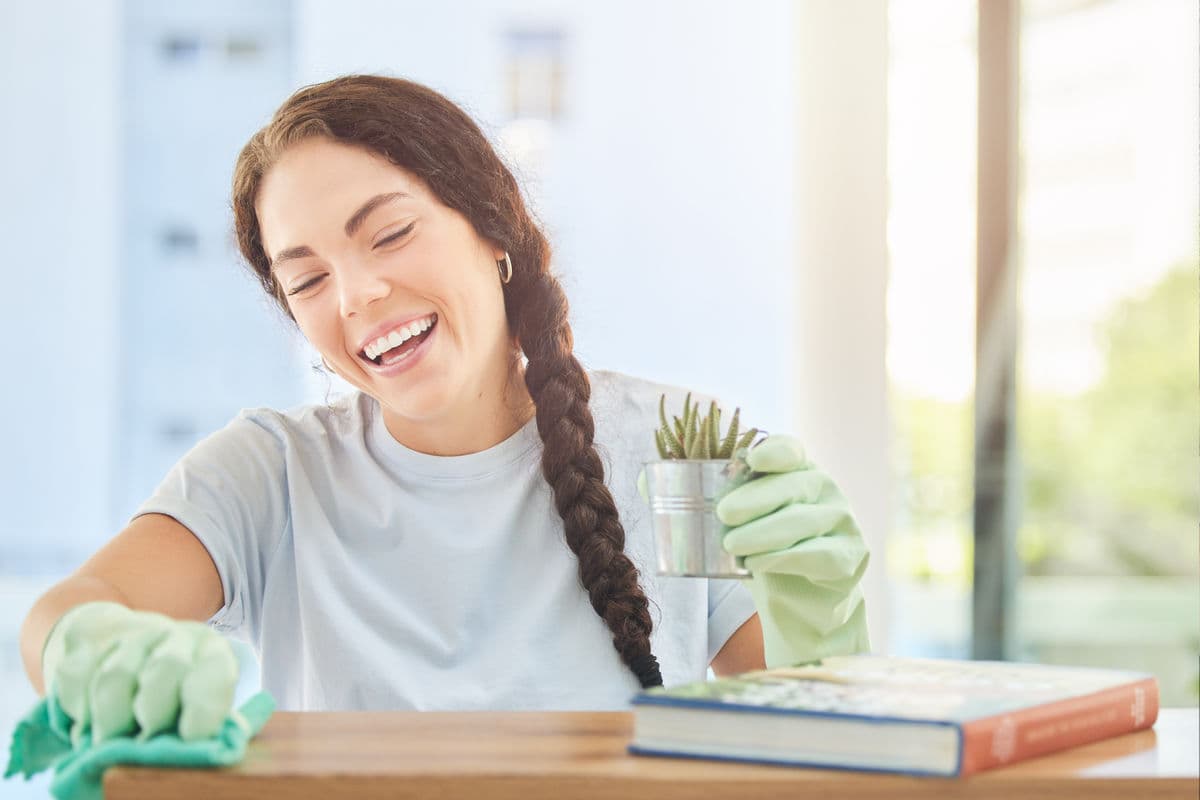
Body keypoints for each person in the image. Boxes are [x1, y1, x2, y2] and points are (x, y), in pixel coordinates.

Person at [18, 76, 869, 734]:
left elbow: (815, 742)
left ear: (493, 230)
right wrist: (84, 648)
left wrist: (823, 625)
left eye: (388, 233)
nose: (356, 293)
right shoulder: (270, 475)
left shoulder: (675, 448)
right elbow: (73, 608)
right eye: (307, 279)